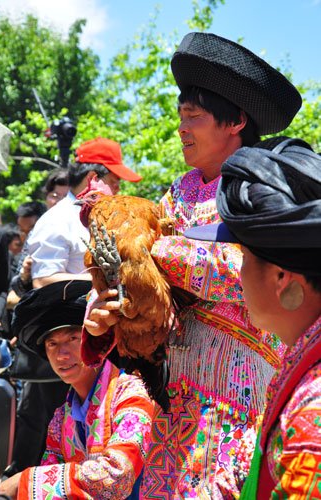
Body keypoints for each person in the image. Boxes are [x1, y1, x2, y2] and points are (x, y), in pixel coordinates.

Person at [81, 32, 302, 498]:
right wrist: (103, 313)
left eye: (193, 117)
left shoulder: (264, 186)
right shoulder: (179, 192)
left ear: (236, 120)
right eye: (180, 116)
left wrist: (151, 253)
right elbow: (139, 282)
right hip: (172, 399)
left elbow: (247, 269)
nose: (181, 129)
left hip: (237, 400)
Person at [184, 136, 321, 499]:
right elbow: (245, 469)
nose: (238, 274)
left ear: (282, 278)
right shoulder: (300, 359)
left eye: (243, 258)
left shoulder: (313, 418)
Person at [0, 281, 154, 500]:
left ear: (95, 342)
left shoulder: (132, 394)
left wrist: (25, 482)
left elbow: (118, 476)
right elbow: (48, 475)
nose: (62, 354)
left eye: (73, 338)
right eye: (52, 344)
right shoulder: (60, 419)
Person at [28, 136, 142, 289]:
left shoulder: (104, 217)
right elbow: (43, 280)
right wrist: (112, 280)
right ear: (91, 178)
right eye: (114, 182)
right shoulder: (56, 220)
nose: (117, 189)